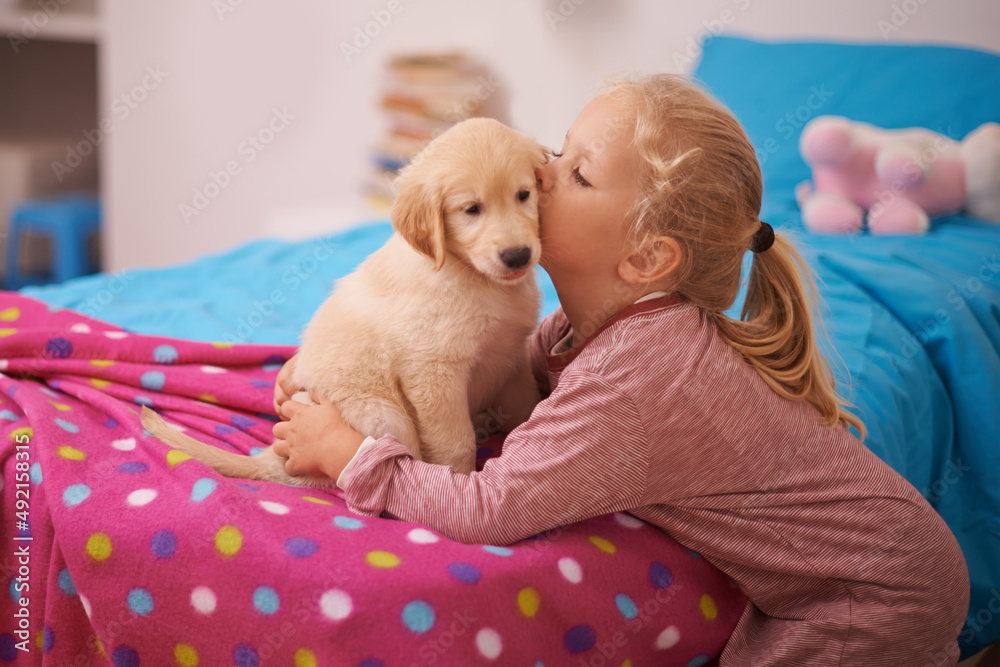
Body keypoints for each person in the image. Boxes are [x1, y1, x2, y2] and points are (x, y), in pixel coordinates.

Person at [271, 74, 969, 666]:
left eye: (576, 173)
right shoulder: (608, 326)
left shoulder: (636, 378)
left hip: (876, 596)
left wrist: (351, 453)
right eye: (557, 151)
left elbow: (487, 508)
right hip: (893, 565)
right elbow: (516, 363)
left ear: (645, 260)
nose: (540, 173)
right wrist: (328, 358)